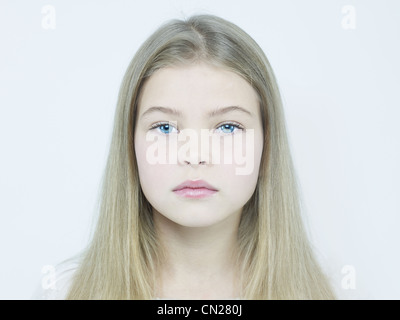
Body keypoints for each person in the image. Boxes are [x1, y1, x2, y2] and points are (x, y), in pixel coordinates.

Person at [35, 14, 336, 300]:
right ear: (130, 144)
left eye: (228, 127)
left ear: (267, 144)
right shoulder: (65, 292)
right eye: (165, 127)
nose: (195, 156)